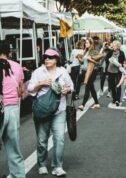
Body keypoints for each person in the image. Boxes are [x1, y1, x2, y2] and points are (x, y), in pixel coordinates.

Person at [28, 48, 73, 176]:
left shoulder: (62, 72)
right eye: (45, 57)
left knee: (59, 139)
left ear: (56, 59)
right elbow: (30, 89)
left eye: (50, 57)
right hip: (42, 111)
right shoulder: (38, 72)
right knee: (42, 140)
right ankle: (42, 164)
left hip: (59, 110)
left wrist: (67, 90)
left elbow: (72, 86)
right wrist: (40, 84)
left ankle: (58, 166)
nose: (47, 59)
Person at [0, 40, 25, 178]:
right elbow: (21, 92)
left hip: (0, 108)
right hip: (13, 109)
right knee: (13, 148)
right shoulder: (16, 66)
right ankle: (18, 175)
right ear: (9, 52)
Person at [78, 38, 101, 111]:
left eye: (87, 43)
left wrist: (90, 59)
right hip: (85, 71)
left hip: (92, 71)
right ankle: (97, 103)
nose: (85, 44)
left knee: (88, 86)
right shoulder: (86, 51)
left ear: (91, 44)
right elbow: (83, 62)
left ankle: (83, 104)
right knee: (91, 87)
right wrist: (79, 59)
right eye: (85, 43)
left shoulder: (93, 51)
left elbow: (98, 63)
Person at [106, 40, 125, 106]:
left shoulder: (121, 53)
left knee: (118, 85)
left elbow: (123, 62)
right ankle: (114, 99)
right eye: (113, 45)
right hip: (110, 71)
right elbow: (107, 60)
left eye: (114, 45)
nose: (113, 46)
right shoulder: (110, 52)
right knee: (112, 86)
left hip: (118, 71)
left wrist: (119, 64)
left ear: (118, 46)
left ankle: (118, 100)